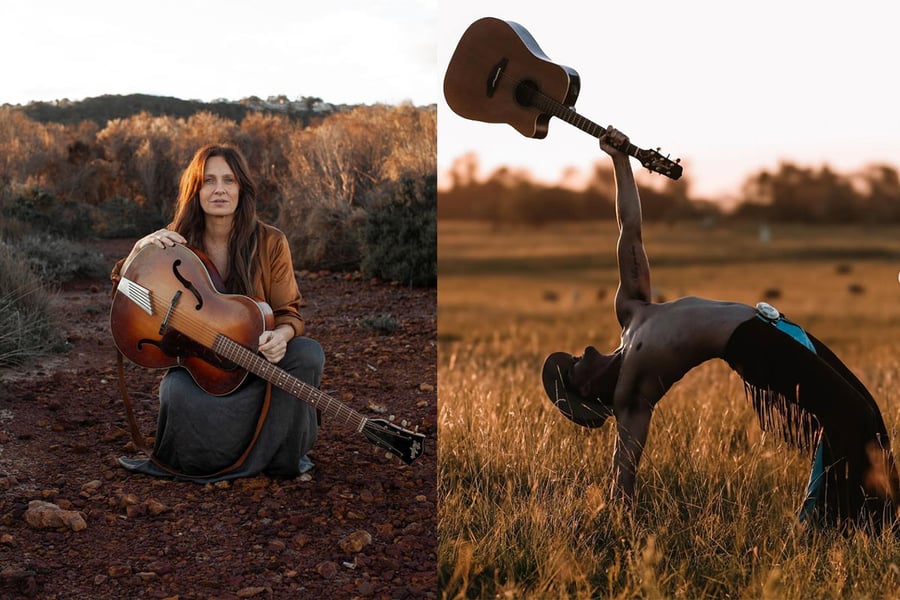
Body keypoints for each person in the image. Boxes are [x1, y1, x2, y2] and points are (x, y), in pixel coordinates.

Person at [542, 128, 899, 529]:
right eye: (573, 365)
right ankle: (855, 523)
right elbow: (623, 474)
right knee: (846, 411)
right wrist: (615, 522)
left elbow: (630, 229)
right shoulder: (631, 398)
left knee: (863, 407)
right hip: (751, 346)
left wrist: (619, 160)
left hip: (771, 325)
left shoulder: (630, 310)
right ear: (586, 390)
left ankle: (875, 517)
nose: (581, 352)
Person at [111, 143, 323, 482]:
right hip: (203, 370)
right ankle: (227, 454)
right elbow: (126, 285)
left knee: (308, 354)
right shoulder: (175, 242)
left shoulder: (271, 241)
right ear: (195, 190)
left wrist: (280, 338)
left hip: (257, 368)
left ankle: (280, 457)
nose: (219, 189)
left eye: (229, 180)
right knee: (174, 391)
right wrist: (140, 247)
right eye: (208, 181)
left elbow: (289, 314)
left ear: (242, 187)